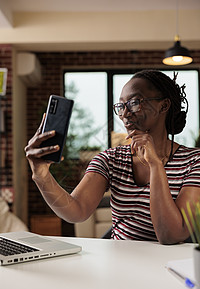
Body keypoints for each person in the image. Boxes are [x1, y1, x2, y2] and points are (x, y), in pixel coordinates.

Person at [25, 69, 200, 245]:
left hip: (170, 267)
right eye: (120, 106)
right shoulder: (110, 160)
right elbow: (76, 211)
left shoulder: (194, 162)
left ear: (164, 106)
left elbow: (171, 235)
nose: (124, 114)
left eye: (134, 103)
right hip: (119, 264)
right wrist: (41, 175)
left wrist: (155, 165)